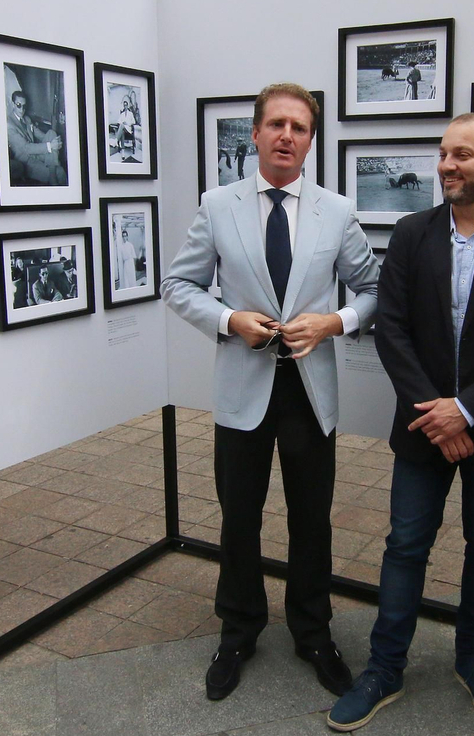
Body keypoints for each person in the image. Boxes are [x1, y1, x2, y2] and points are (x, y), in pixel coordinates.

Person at [327, 113, 474, 732]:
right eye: (443, 154)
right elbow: (393, 330)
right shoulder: (411, 233)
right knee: (405, 545)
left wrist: (469, 409)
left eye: (462, 154)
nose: (448, 165)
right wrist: (439, 412)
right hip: (423, 424)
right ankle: (383, 668)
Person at [163, 82, 380, 702]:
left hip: (310, 392)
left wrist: (335, 321)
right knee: (239, 517)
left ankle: (313, 632)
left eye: (300, 127)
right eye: (277, 124)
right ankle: (238, 631)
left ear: (312, 141)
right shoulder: (217, 204)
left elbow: (373, 290)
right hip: (244, 386)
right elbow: (180, 286)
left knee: (312, 520)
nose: (288, 136)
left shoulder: (335, 211)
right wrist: (230, 320)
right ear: (255, 134)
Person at [7, 89, 65, 185]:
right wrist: (50, 146)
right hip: (26, 161)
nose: (22, 109)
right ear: (13, 104)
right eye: (18, 105)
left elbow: (41, 136)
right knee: (60, 172)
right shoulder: (9, 124)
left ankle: (51, 173)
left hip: (36, 154)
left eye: (24, 106)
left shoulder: (26, 119)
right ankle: (53, 176)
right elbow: (26, 148)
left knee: (51, 133)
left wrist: (55, 141)